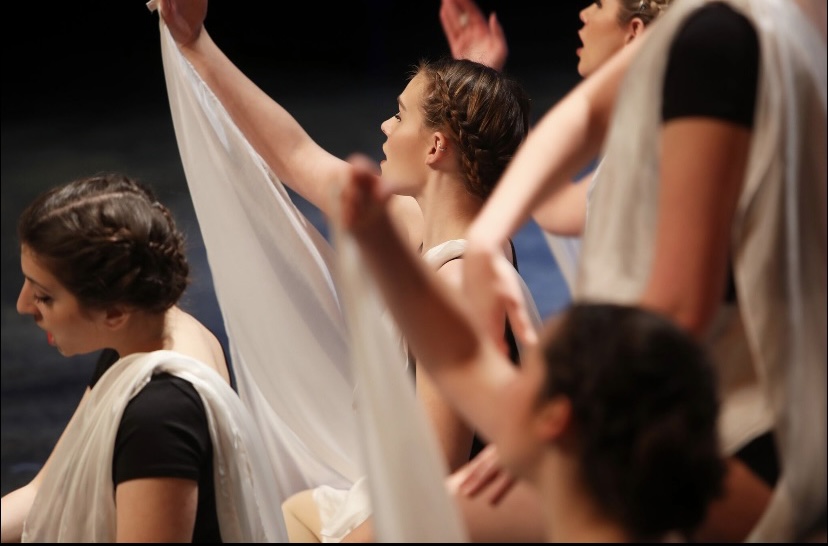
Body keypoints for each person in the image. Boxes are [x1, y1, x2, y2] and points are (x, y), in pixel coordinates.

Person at [154, 0, 537, 541]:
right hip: (406, 501)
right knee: (283, 513)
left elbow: (438, 491)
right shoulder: (428, 227)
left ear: (436, 146)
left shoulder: (458, 285)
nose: (385, 125)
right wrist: (196, 44)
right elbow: (295, 155)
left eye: (399, 114)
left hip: (447, 521)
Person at [461, 0, 826, 541]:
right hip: (700, 403)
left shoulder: (719, 40)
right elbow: (586, 115)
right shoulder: (729, 27)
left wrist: (563, 414)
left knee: (414, 518)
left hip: (725, 429)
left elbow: (679, 312)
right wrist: (485, 238)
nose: (582, 12)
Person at [332, 165, 726, 542]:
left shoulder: (517, 510)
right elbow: (460, 359)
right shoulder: (617, 508)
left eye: (525, 369)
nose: (503, 376)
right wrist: (381, 242)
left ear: (555, 420)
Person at [0, 173, 286, 542]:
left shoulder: (161, 413)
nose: (23, 306)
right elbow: (44, 493)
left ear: (115, 311)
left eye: (44, 296)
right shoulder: (148, 335)